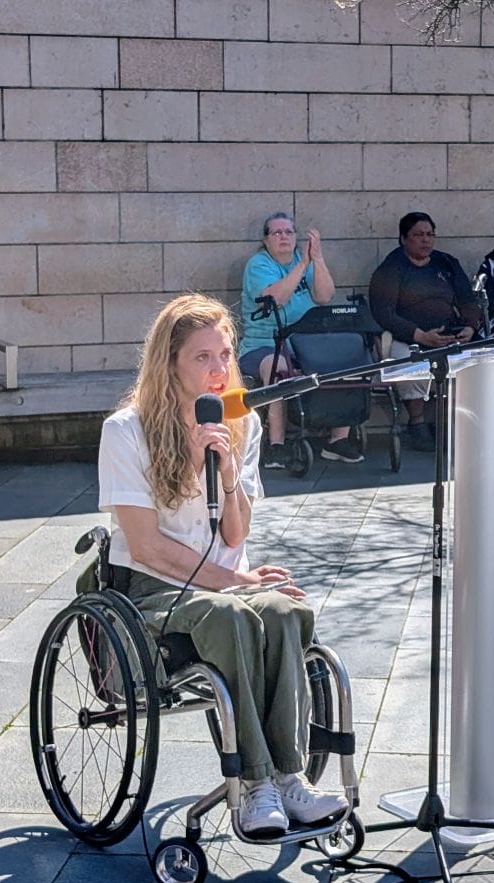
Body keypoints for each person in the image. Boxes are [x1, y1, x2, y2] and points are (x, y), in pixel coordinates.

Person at [97, 293, 348, 836]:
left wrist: (226, 470)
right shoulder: (126, 431)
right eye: (202, 358)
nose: (218, 371)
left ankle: (290, 777)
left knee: (283, 609)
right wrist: (233, 578)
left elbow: (236, 533)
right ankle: (255, 783)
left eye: (226, 355)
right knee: (229, 614)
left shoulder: (243, 423)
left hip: (226, 580)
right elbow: (146, 547)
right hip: (155, 586)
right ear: (169, 364)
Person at [240, 212, 362, 468]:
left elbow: (325, 296)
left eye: (289, 232)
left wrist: (316, 260)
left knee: (345, 361)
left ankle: (337, 440)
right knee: (279, 370)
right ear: (266, 239)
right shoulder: (259, 265)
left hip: (308, 340)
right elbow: (276, 298)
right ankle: (277, 445)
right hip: (265, 343)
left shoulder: (303, 259)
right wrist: (303, 265)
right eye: (277, 232)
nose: (284, 236)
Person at [369, 212, 484, 452]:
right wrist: (420, 335)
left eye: (430, 234)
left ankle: (459, 422)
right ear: (403, 239)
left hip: (450, 334)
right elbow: (383, 313)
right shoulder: (391, 269)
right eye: (419, 235)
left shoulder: (447, 263)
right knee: (411, 363)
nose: (426, 240)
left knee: (477, 362)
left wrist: (470, 327)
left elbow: (468, 300)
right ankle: (417, 423)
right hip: (409, 336)